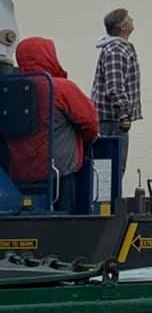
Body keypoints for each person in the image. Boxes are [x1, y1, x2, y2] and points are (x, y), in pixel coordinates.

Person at [8, 37, 99, 213]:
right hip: (59, 175)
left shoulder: (11, 90)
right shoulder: (62, 89)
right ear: (49, 57)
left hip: (19, 177)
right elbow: (91, 123)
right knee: (65, 229)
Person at [91, 7, 141, 178]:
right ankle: (110, 205)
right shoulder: (117, 51)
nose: (132, 19)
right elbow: (115, 87)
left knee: (111, 172)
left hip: (112, 120)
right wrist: (124, 114)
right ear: (122, 26)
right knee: (111, 173)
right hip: (112, 121)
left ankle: (110, 204)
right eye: (129, 17)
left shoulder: (118, 49)